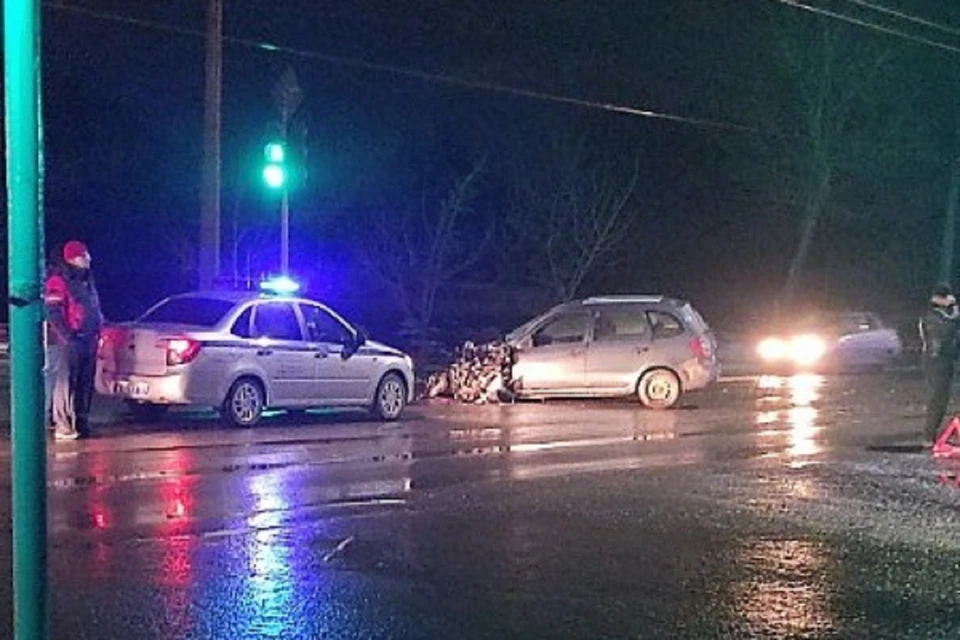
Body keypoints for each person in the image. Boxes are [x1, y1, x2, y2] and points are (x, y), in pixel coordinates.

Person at [45, 241, 103, 440]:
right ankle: (63, 425)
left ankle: (81, 421)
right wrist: (68, 336)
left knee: (84, 383)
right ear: (73, 259)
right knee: (66, 382)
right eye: (84, 256)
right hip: (71, 340)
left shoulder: (86, 280)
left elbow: (93, 307)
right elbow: (53, 312)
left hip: (88, 338)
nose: (89, 259)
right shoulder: (59, 281)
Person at [919, 283, 960, 443]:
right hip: (935, 361)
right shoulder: (931, 316)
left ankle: (931, 434)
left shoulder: (945, 316)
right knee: (937, 398)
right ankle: (928, 436)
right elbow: (943, 333)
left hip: (946, 360)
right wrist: (955, 312)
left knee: (942, 399)